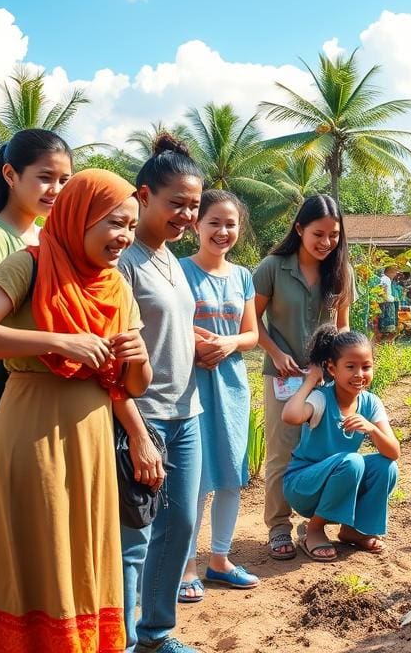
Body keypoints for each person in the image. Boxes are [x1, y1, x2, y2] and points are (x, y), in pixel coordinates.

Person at [0, 169, 156, 652]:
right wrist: (58, 341)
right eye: (114, 223)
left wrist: (138, 359)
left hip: (93, 444)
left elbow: (131, 385)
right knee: (40, 552)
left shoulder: (115, 286)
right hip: (29, 436)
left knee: (82, 554)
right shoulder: (28, 264)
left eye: (132, 227)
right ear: (78, 216)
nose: (124, 237)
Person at [118, 134, 204, 653]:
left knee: (183, 523)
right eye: (177, 204)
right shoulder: (125, 260)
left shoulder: (173, 259)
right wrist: (138, 434)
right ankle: (127, 639)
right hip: (144, 416)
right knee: (138, 535)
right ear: (144, 195)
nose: (186, 216)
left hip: (187, 409)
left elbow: (165, 329)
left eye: (193, 207)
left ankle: (157, 630)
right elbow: (118, 353)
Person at [253, 195, 353, 561]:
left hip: (327, 380)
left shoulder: (342, 271)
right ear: (299, 229)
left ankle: (315, 525)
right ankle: (278, 526)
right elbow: (251, 322)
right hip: (284, 377)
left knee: (326, 451)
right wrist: (277, 354)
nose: (326, 242)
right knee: (283, 451)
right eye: (318, 234)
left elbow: (343, 325)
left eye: (334, 235)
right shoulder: (272, 268)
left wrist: (340, 369)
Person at [179, 191, 260, 602]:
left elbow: (252, 334)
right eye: (214, 222)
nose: (222, 231)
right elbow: (165, 320)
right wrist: (194, 342)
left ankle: (221, 560)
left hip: (231, 386)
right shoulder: (178, 271)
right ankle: (186, 565)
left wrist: (228, 344)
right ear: (196, 225)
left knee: (231, 476)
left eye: (230, 224)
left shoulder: (243, 276)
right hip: (188, 384)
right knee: (194, 480)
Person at [0, 129, 72, 440]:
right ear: (10, 174)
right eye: (45, 177)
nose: (55, 189)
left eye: (64, 181)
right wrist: (57, 342)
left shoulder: (43, 237)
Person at [281, 325, 400, 561]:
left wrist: (372, 429)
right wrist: (310, 382)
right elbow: (290, 416)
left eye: (366, 367)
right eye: (350, 367)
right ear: (332, 369)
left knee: (386, 466)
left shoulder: (370, 403)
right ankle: (313, 530)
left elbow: (394, 451)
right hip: (304, 486)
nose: (359, 374)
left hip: (341, 481)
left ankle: (354, 531)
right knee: (353, 462)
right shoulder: (322, 398)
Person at [377, 264, 399, 342]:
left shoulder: (384, 279)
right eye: (394, 272)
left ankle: (385, 342)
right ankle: (386, 342)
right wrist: (390, 298)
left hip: (385, 303)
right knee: (387, 327)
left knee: (384, 326)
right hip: (387, 304)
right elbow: (383, 292)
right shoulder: (386, 279)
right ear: (389, 272)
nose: (395, 275)